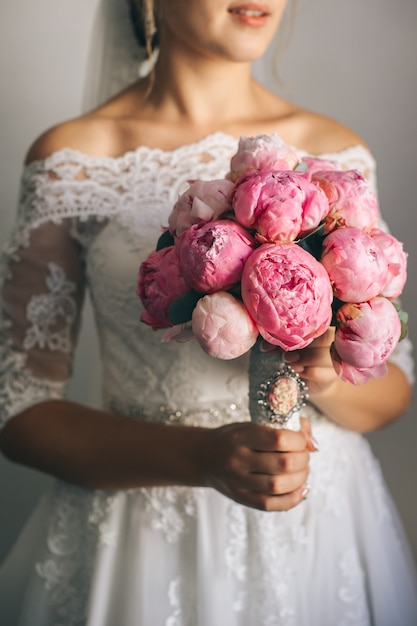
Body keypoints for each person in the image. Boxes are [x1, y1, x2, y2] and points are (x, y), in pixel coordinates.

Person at [0, 0, 416, 624]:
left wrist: (324, 372)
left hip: (321, 534)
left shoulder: (337, 158)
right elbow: (21, 408)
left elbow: (393, 394)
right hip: (149, 533)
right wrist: (199, 459)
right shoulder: (71, 160)